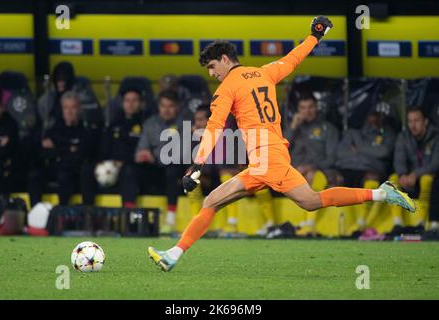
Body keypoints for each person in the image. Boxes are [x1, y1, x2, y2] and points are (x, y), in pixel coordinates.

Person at [148, 16, 415, 272]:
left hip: (267, 160)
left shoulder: (228, 87)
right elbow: (294, 58)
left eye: (212, 66)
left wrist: (196, 164)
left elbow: (214, 127)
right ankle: (173, 255)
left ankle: (173, 255)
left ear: (225, 59)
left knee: (228, 201)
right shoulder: (264, 73)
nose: (211, 73)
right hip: (268, 157)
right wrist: (315, 36)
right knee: (230, 201)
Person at [28, 92, 98, 206]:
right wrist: (67, 149)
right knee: (34, 175)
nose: (69, 112)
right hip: (55, 168)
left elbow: (81, 155)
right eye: (66, 108)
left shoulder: (86, 132)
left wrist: (57, 149)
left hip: (73, 171)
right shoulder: (55, 130)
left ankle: (65, 211)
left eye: (73, 107)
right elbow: (43, 153)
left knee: (65, 174)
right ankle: (34, 211)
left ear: (79, 109)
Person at [135, 89, 189, 233]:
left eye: (170, 106)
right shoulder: (150, 123)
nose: (166, 110)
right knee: (130, 171)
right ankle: (130, 217)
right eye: (163, 106)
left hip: (175, 166)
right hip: (155, 167)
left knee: (172, 170)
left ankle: (170, 219)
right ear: (158, 106)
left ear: (177, 107)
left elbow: (181, 153)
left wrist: (155, 156)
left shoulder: (185, 124)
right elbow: (140, 150)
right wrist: (143, 154)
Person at [390, 107, 439, 232]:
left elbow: (435, 163)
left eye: (417, 120)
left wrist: (416, 174)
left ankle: (421, 222)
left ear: (425, 122)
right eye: (410, 121)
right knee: (393, 180)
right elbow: (398, 159)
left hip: (426, 177)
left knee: (426, 179)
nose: (413, 125)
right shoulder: (403, 137)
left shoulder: (435, 136)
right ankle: (397, 223)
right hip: (408, 179)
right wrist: (402, 174)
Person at [99, 87, 147, 207]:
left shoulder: (146, 124)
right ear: (122, 103)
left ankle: (128, 211)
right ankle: (88, 212)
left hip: (136, 167)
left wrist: (123, 162)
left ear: (141, 103)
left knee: (129, 171)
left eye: (134, 100)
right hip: (112, 166)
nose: (130, 104)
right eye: (127, 100)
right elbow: (104, 149)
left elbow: (143, 151)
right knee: (87, 170)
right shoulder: (114, 124)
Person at [289, 92, 339, 185]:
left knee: (312, 176)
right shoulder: (292, 128)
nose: (307, 111)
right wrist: (293, 128)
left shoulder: (328, 128)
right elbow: (280, 150)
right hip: (294, 171)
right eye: (303, 108)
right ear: (298, 110)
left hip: (319, 171)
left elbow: (332, 158)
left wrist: (312, 167)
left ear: (317, 107)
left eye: (310, 107)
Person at [336, 110, 396, 187]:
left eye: (377, 116)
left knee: (371, 180)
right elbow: (340, 152)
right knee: (334, 179)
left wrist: (358, 149)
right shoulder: (352, 132)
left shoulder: (388, 134)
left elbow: (384, 152)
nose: (373, 121)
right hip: (346, 167)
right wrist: (370, 150)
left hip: (371, 168)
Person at [0, 94, 18, 194]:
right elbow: (0, 150)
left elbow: (7, 151)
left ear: (2, 108)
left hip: (4, 168)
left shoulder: (10, 125)